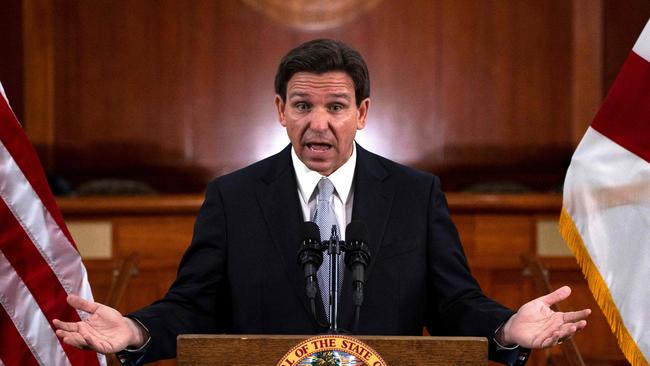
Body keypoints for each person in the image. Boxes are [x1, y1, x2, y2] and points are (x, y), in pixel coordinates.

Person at [53, 39, 590, 365]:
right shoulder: (233, 198)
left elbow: (453, 304)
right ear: (280, 110)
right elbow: (193, 305)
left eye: (336, 105)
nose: (319, 122)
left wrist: (504, 328)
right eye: (303, 104)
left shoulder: (415, 194)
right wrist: (136, 331)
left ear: (362, 113)